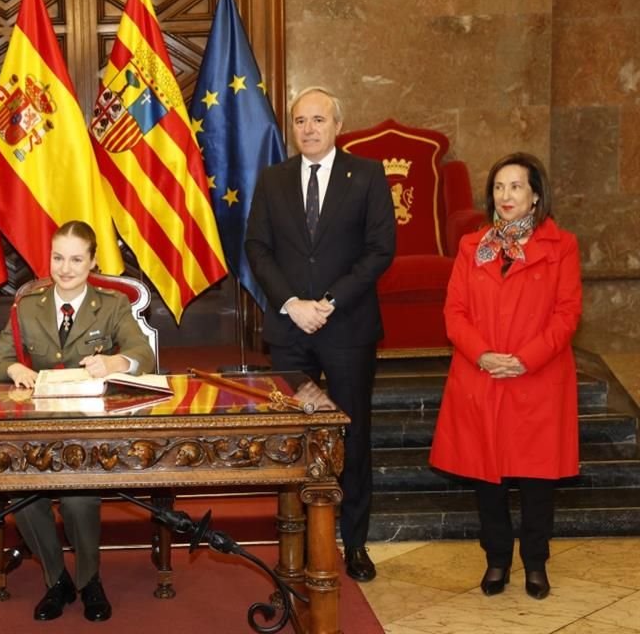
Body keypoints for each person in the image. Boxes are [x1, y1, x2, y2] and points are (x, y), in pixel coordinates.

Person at [245, 86, 396, 582]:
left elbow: (380, 250)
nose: (308, 129)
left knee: (352, 436)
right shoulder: (273, 179)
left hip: (346, 328)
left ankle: (354, 544)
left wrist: (327, 304)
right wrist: (292, 304)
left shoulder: (367, 174)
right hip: (290, 332)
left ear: (337, 125)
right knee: (293, 439)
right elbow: (258, 248)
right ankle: (300, 541)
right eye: (299, 121)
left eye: (318, 120)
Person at [0, 220, 155, 622]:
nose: (66, 268)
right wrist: (13, 371)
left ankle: (89, 580)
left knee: (78, 500)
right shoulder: (27, 307)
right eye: (58, 257)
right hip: (36, 430)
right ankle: (56, 580)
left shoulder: (111, 305)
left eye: (76, 259)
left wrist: (114, 361)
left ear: (92, 261)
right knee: (26, 498)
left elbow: (143, 356)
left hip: (88, 431)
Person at [429, 152, 581, 600]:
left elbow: (567, 313)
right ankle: (497, 559)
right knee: (487, 478)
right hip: (481, 377)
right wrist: (484, 354)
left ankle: (535, 561)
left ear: (535, 195)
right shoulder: (473, 247)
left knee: (537, 479)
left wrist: (525, 359)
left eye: (516, 186)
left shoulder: (562, 246)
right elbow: (454, 313)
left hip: (538, 379)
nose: (506, 195)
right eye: (499, 187)